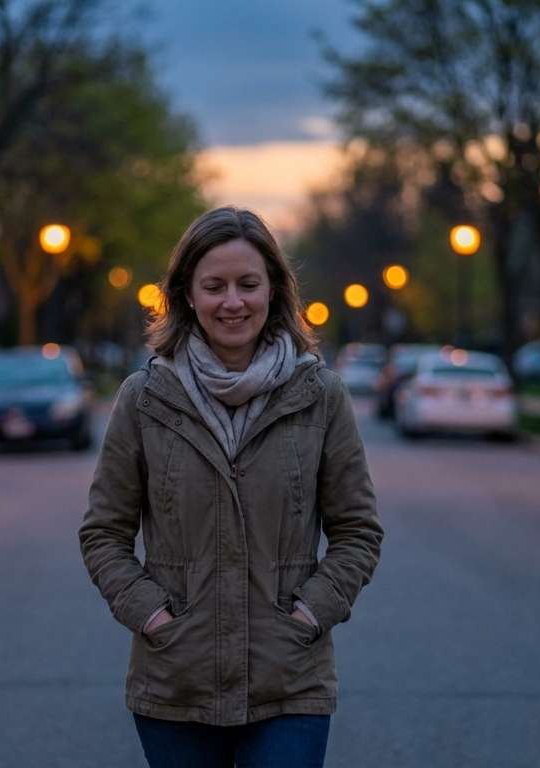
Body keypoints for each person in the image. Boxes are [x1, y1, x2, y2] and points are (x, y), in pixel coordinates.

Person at [79, 206, 383, 768]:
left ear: (273, 290)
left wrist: (309, 616)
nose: (233, 301)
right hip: (175, 682)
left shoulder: (321, 397)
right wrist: (154, 618)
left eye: (248, 284)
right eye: (214, 286)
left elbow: (358, 531)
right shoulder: (143, 400)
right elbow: (103, 534)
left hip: (290, 679)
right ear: (187, 295)